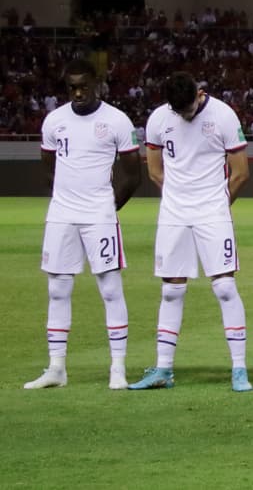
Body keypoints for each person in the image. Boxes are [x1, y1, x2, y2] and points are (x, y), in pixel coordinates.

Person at [128, 73, 252, 392]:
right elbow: (154, 169)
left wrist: (217, 205)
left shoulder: (223, 115)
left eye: (188, 107)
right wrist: (179, 198)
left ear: (200, 93)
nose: (184, 114)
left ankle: (239, 370)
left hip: (213, 210)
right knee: (171, 290)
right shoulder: (159, 117)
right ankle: (164, 369)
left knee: (224, 286)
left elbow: (240, 172)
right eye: (178, 109)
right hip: (174, 213)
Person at [26, 59, 142, 390]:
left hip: (99, 217)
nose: (78, 92)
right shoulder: (54, 121)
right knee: (57, 288)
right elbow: (48, 169)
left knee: (110, 287)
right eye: (72, 87)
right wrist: (64, 200)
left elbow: (133, 175)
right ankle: (56, 368)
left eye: (84, 86)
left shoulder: (116, 120)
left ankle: (117, 367)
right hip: (62, 216)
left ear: (97, 84)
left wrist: (107, 207)